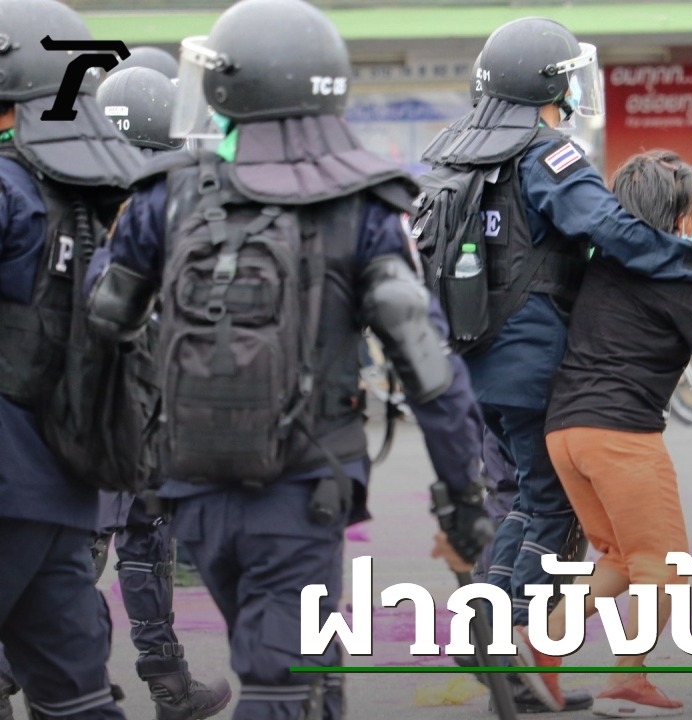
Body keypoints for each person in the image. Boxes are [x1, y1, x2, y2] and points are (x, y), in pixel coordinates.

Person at [86, 0, 489, 715]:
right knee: (281, 680)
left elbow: (103, 323)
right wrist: (462, 496)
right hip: (302, 491)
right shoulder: (362, 205)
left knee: (300, 661)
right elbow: (426, 365)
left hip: (191, 488)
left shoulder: (167, 196)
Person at [419, 16, 692, 713]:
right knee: (552, 515)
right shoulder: (543, 154)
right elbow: (609, 227)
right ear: (545, 87)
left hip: (474, 366)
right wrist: (689, 259)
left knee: (529, 502)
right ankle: (502, 638)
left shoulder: (456, 155)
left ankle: (500, 649)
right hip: (533, 367)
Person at [516, 149, 692, 717]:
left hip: (566, 432)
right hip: (619, 433)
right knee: (664, 565)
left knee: (623, 556)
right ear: (680, 215)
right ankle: (625, 678)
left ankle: (540, 643)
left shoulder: (606, 260)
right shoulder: (675, 271)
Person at [0, 0, 145, 717]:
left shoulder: (8, 189)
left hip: (5, 478)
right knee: (76, 699)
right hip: (63, 483)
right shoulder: (86, 198)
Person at [88, 64, 233, 719]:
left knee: (73, 555)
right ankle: (167, 686)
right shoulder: (173, 204)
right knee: (135, 547)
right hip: (143, 407)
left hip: (85, 410)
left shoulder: (70, 193)